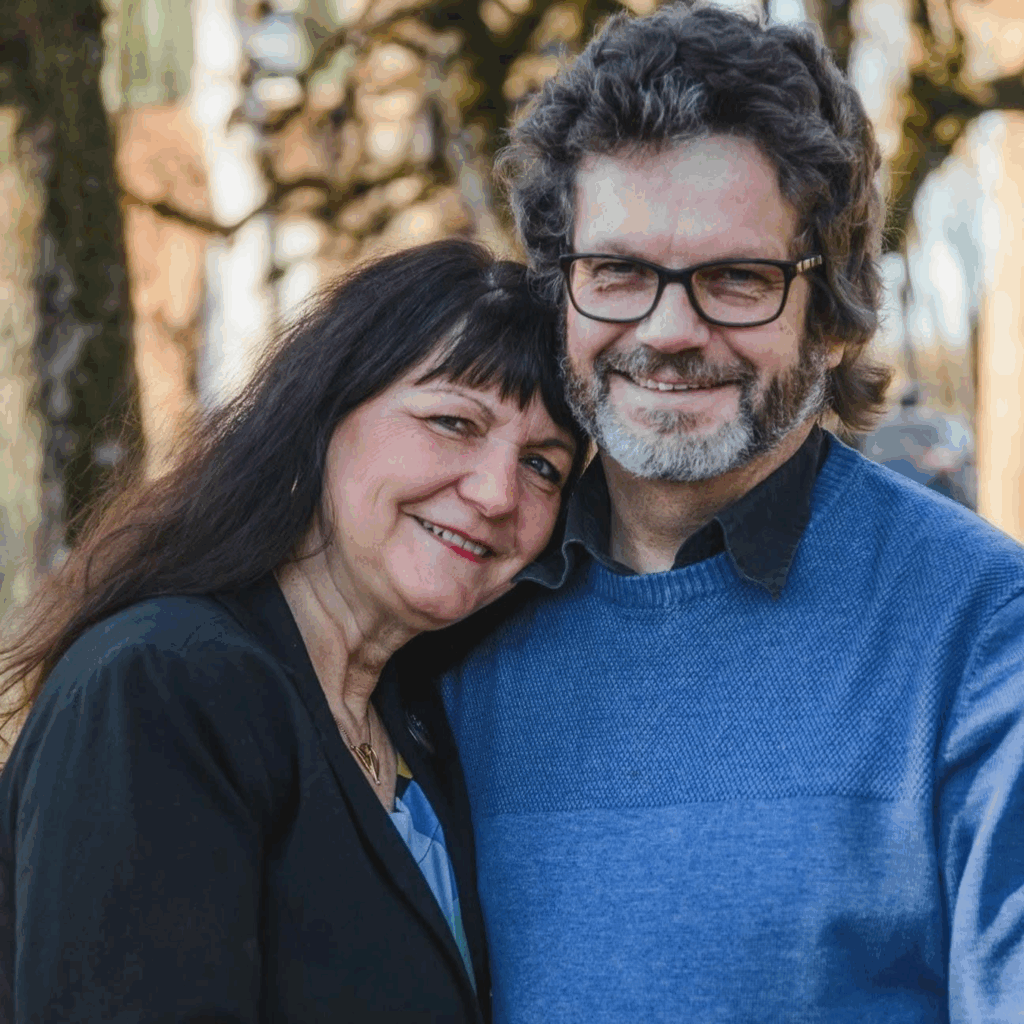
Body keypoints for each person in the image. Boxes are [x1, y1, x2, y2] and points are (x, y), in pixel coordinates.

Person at [436, 4, 1024, 1021]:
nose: (669, 330)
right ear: (559, 293)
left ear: (831, 312)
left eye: (736, 279)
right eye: (618, 272)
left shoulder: (979, 629)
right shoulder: (455, 605)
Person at [0, 239, 585, 1023]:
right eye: (453, 422)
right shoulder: (163, 687)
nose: (496, 493)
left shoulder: (417, 720)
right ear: (323, 414)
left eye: (544, 465)